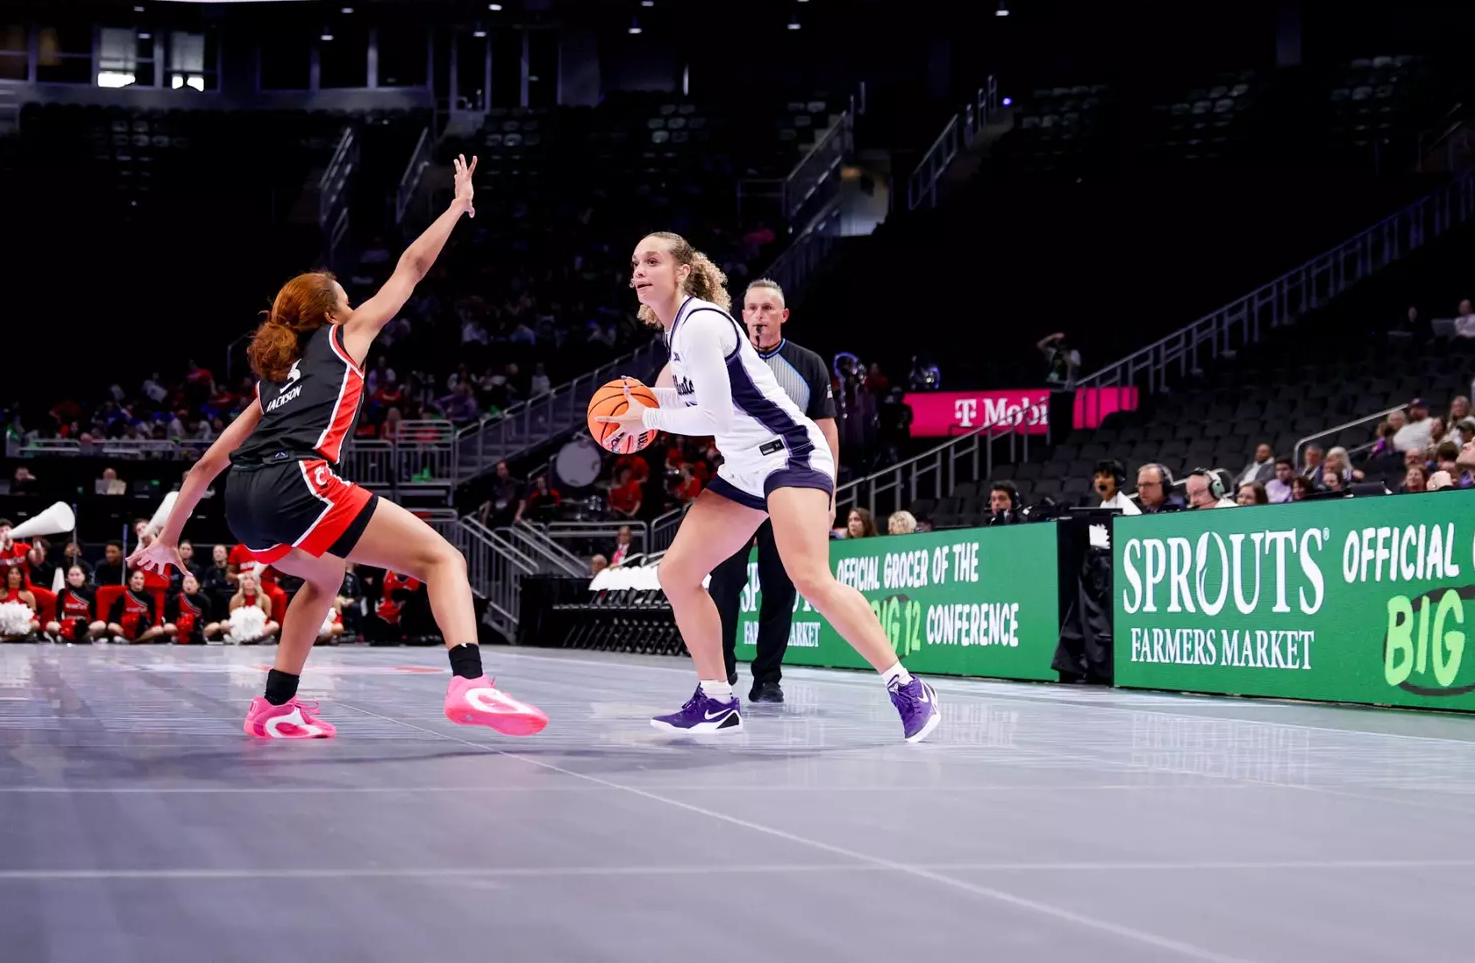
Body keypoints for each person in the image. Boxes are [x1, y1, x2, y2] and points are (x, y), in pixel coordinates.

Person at [131, 155, 546, 740]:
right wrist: (456, 207)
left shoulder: (272, 378)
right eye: (348, 298)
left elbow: (206, 463)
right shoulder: (345, 335)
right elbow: (412, 266)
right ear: (330, 312)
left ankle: (275, 705)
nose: (356, 305)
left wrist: (171, 538)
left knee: (323, 579)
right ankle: (471, 683)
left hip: (243, 503)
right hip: (301, 483)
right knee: (443, 561)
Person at [598, 232, 938, 741]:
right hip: (743, 466)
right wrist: (637, 409)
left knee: (809, 578)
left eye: (652, 260)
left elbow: (710, 414)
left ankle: (907, 687)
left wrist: (645, 412)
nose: (639, 271)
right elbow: (674, 402)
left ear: (683, 272)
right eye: (634, 263)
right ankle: (716, 698)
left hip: (791, 453)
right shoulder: (676, 335)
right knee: (677, 573)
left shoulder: (701, 323)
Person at [706, 278, 839, 703]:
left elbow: (827, 430)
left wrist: (830, 495)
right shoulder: (724, 360)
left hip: (792, 488)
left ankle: (768, 678)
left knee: (780, 585)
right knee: (725, 582)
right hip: (741, 484)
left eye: (768, 309)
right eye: (752, 309)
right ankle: (720, 675)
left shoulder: (809, 364)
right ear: (741, 315)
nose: (759, 316)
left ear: (783, 316)